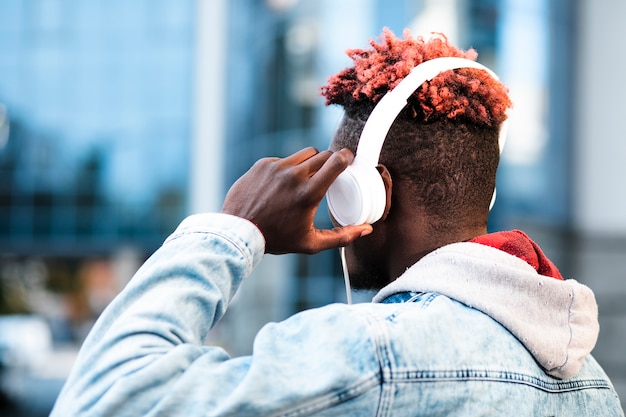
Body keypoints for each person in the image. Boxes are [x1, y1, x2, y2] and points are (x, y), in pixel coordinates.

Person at [51, 29, 623, 416]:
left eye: (336, 180)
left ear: (371, 194)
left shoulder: (376, 356)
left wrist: (233, 228)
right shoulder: (593, 383)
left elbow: (106, 398)